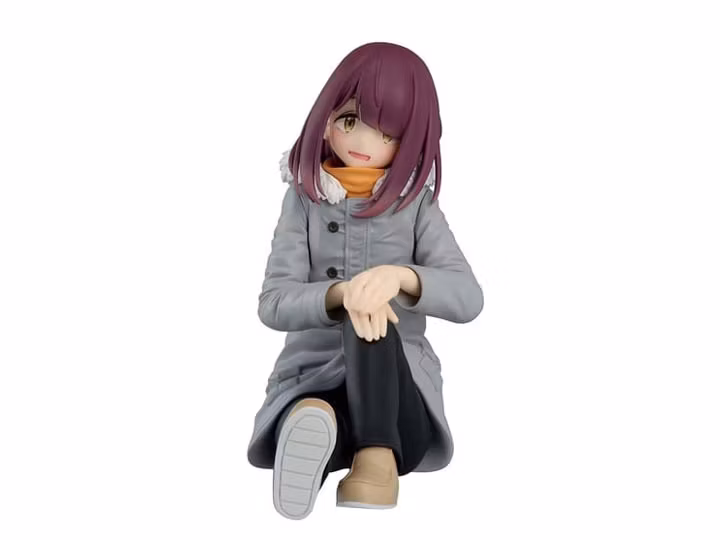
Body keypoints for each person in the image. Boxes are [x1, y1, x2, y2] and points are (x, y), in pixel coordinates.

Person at [246, 42, 484, 520]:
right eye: (350, 120)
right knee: (317, 411)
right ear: (326, 118)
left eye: (386, 132)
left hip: (401, 404)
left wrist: (400, 278)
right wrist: (340, 295)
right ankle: (316, 430)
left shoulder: (416, 207)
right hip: (313, 379)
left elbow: (468, 297)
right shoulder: (304, 201)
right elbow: (273, 301)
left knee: (371, 314)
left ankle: (377, 457)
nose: (363, 140)